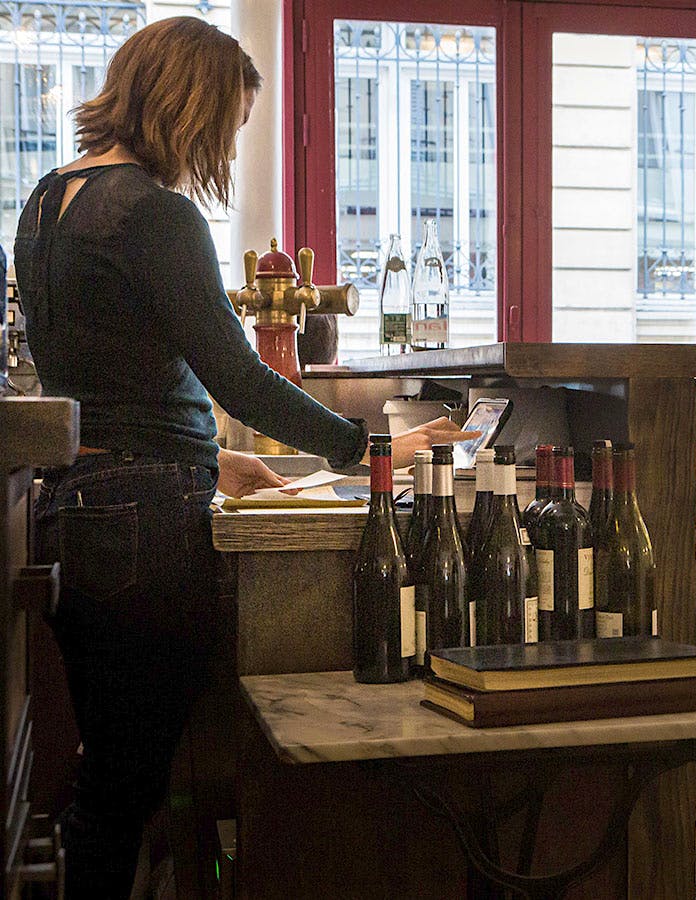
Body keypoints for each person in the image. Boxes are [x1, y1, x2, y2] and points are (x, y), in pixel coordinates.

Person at [13, 19, 472, 896]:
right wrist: (374, 446)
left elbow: (101, 380)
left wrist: (215, 464)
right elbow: (240, 378)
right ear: (192, 106)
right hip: (146, 526)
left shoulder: (44, 201)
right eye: (227, 125)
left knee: (109, 780)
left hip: (75, 504)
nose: (221, 147)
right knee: (129, 785)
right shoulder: (155, 213)